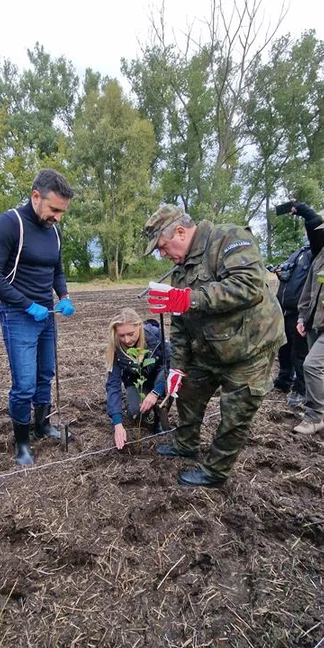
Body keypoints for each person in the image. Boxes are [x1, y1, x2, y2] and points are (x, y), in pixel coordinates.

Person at [142, 204, 286, 488]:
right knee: (188, 393)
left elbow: (248, 286)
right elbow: (181, 326)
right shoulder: (180, 272)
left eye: (161, 246)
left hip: (250, 347)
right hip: (209, 350)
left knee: (236, 413)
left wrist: (190, 299)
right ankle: (185, 444)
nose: (162, 254)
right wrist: (178, 368)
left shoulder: (227, 239)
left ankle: (215, 472)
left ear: (180, 232)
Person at [0, 168, 75, 466]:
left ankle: (43, 424)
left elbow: (55, 270)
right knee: (24, 384)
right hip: (19, 315)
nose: (58, 217)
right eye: (54, 209)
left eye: (62, 211)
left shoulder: (54, 232)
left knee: (45, 374)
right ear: (36, 196)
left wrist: (64, 296)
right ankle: (21, 442)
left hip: (46, 315)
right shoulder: (11, 224)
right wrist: (26, 304)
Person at [105, 308, 169, 450]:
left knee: (170, 386)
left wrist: (155, 392)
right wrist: (117, 423)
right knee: (136, 411)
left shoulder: (155, 336)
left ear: (139, 326)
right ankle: (144, 410)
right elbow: (113, 385)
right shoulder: (116, 349)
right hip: (136, 383)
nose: (126, 340)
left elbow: (170, 366)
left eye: (130, 334)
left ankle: (159, 418)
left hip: (159, 381)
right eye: (121, 335)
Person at [293, 212, 324, 435]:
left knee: (311, 365)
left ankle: (315, 417)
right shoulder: (320, 256)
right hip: (316, 322)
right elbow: (309, 290)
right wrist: (303, 317)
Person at [272, 241, 312, 407]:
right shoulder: (299, 252)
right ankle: (284, 379)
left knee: (299, 352)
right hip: (286, 309)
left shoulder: (315, 252)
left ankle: (301, 389)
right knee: (284, 346)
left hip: (300, 311)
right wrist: (281, 274)